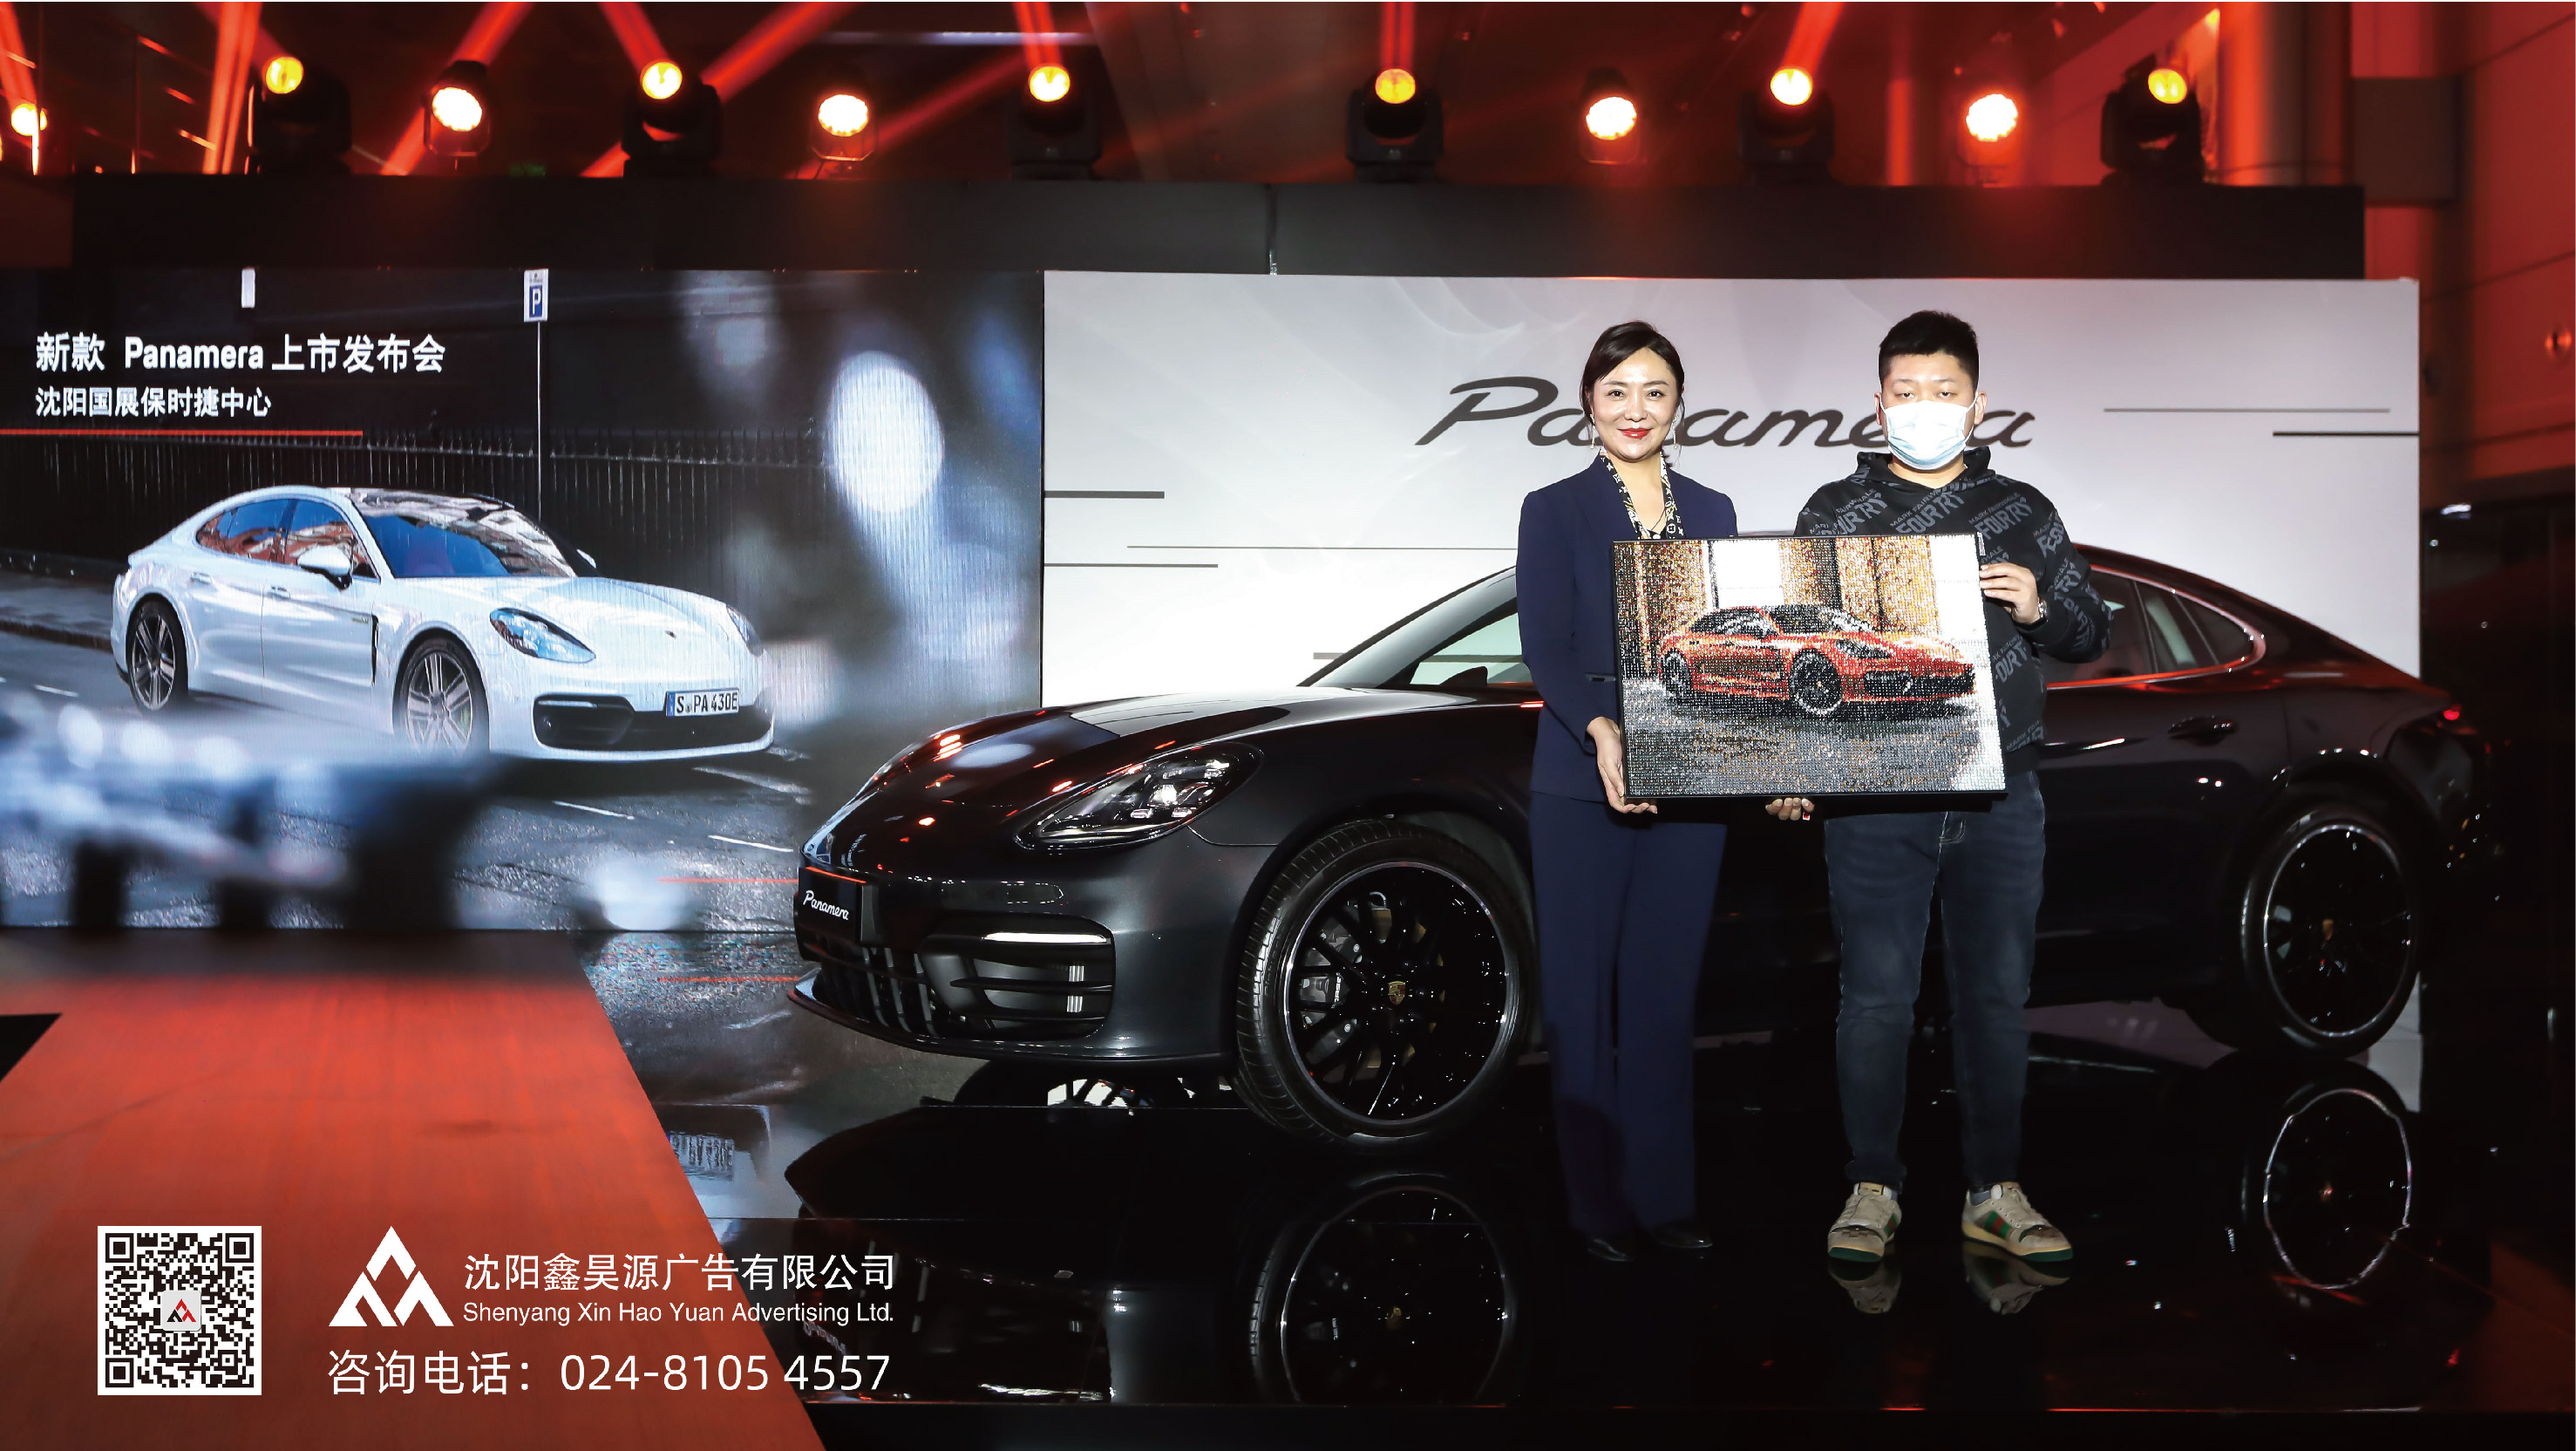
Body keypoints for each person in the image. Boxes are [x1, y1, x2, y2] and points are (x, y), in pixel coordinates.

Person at [1765, 310, 2109, 1269]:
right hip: (1873, 794)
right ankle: (1871, 1186)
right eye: (1906, 393)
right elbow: (1798, 646)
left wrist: (2039, 606)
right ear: (1879, 405)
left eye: (1943, 392)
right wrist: (1791, 766)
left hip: (2003, 793)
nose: (1924, 407)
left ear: (1977, 403)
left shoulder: (2024, 510)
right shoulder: (1833, 512)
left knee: (1996, 998)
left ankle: (1995, 1190)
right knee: (1875, 997)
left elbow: (2092, 629)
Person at [1518, 320, 1737, 1263]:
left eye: (1654, 391)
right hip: (1580, 776)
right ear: (1588, 402)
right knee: (1580, 1000)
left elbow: (1730, 645)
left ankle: (1663, 1195)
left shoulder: (1715, 509)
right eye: (1616, 391)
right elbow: (1544, 646)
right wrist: (1602, 729)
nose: (1635, 409)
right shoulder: (1554, 508)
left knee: (1664, 995)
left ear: (1678, 403)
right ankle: (1596, 1205)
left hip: (1692, 772)